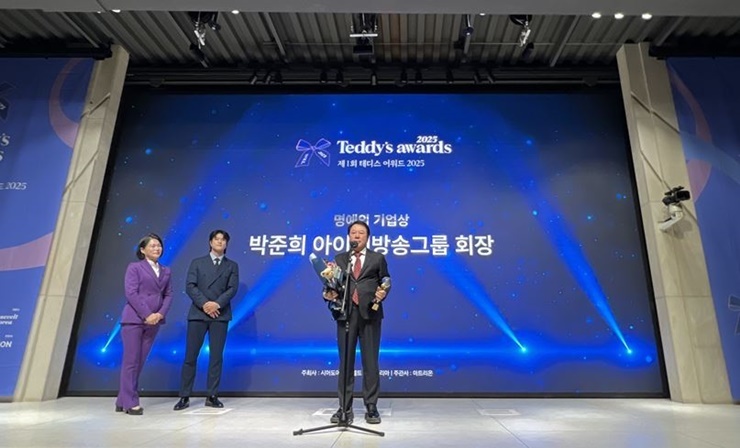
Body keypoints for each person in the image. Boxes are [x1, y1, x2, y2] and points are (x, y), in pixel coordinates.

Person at [323, 220, 390, 425]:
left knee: (370, 362)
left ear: (367, 237)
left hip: (370, 314)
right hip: (346, 314)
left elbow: (385, 280)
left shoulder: (378, 258)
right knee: (346, 362)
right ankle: (344, 407)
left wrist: (383, 291)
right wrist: (328, 293)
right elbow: (332, 284)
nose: (357, 236)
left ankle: (371, 406)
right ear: (349, 237)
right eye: (353, 233)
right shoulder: (340, 259)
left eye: (361, 233)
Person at [174, 230, 239, 410]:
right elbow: (190, 286)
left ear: (226, 244)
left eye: (223, 240)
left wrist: (216, 304)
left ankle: (212, 395)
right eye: (216, 239)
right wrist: (205, 304)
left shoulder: (232, 265)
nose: (220, 242)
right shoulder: (197, 262)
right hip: (198, 314)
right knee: (190, 356)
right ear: (210, 242)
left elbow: (232, 289)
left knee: (216, 357)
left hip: (220, 315)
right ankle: (184, 396)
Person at [115, 233, 173, 415]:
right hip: (134, 319)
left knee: (139, 362)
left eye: (159, 245)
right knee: (131, 361)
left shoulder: (166, 270)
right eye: (152, 245)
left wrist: (159, 314)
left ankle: (122, 399)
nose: (157, 248)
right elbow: (131, 293)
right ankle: (131, 402)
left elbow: (169, 294)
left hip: (154, 321)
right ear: (142, 250)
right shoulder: (135, 268)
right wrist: (147, 314)